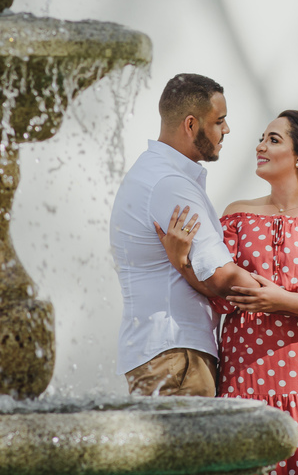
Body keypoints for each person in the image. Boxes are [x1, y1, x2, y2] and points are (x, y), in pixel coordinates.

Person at [159, 110, 298, 475]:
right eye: (261, 138)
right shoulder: (237, 215)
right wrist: (182, 262)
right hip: (245, 374)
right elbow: (220, 291)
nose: (260, 146)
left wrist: (279, 299)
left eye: (273, 139)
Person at [109, 73, 261, 397]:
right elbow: (221, 275)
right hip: (178, 359)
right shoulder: (170, 184)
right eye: (219, 121)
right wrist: (295, 300)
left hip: (161, 354)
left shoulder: (151, 173)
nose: (227, 130)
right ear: (191, 125)